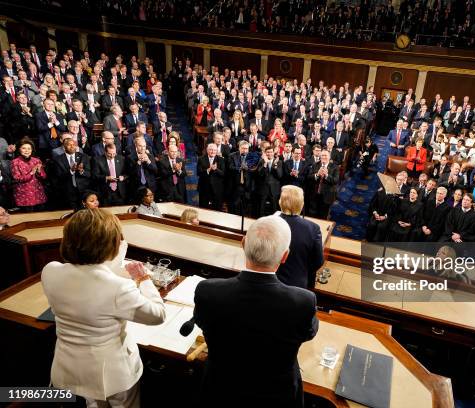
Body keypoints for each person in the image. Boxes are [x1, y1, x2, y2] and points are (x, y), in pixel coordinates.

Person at [41, 209, 166, 406]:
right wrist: (143, 279)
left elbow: (89, 279)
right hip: (114, 376)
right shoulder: (118, 287)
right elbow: (158, 315)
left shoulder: (50, 271)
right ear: (111, 244)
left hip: (67, 370)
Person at [193, 216, 318, 407]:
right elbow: (309, 331)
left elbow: (203, 322)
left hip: (220, 392)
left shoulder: (207, 291)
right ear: (285, 256)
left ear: (243, 244)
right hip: (277, 398)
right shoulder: (302, 302)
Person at [275, 186, 324, 289]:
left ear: (280, 202)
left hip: (271, 282)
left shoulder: (268, 223)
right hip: (297, 286)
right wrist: (302, 270)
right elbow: (318, 261)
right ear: (301, 205)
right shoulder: (313, 229)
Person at [11, 138, 47, 211]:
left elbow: (44, 177)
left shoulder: (37, 160)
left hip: (38, 194)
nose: (27, 151)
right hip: (24, 196)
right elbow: (17, 178)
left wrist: (39, 171)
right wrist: (31, 173)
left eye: (29, 148)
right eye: (24, 148)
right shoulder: (15, 162)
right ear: (19, 149)